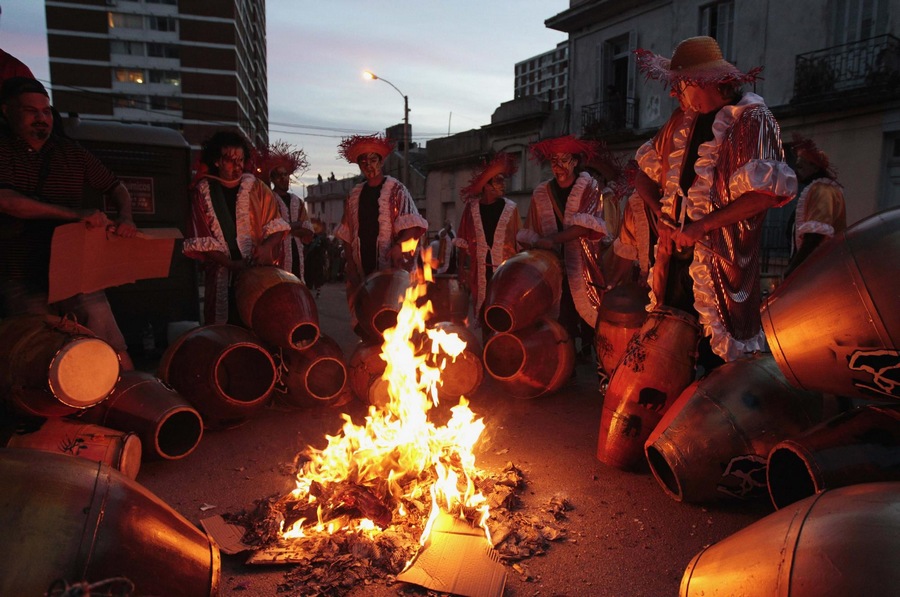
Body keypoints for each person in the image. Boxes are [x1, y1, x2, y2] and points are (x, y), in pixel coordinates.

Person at [633, 36, 797, 367]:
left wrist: (702, 226)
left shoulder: (752, 119)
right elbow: (640, 175)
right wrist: (661, 215)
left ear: (700, 80)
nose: (672, 93)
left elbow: (764, 195)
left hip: (722, 266)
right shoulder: (680, 122)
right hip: (674, 263)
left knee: (716, 359)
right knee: (670, 350)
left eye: (678, 85)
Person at [0, 77, 136, 369]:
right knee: (37, 350)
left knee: (106, 337)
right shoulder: (3, 152)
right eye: (30, 111)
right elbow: (8, 201)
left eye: (46, 111)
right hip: (20, 270)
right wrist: (74, 214)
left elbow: (116, 187)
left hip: (73, 266)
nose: (41, 118)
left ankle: (130, 391)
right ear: (7, 111)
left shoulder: (71, 153)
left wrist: (125, 216)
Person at [183, 130, 289, 325]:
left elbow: (278, 228)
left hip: (258, 275)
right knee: (225, 330)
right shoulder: (203, 192)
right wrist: (231, 265)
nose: (238, 166)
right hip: (222, 277)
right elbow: (201, 242)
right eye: (231, 160)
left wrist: (266, 247)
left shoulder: (257, 188)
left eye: (241, 160)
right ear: (217, 161)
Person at [517, 135, 608, 358]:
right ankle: (565, 364)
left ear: (576, 161)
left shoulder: (590, 187)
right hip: (553, 266)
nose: (558, 167)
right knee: (560, 314)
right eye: (553, 161)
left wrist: (554, 240)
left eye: (564, 160)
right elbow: (534, 231)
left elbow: (587, 225)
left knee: (591, 311)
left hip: (584, 264)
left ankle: (595, 358)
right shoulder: (541, 193)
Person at [334, 133, 427, 292]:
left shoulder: (396, 190)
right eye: (363, 162)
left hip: (392, 270)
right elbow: (347, 234)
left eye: (373, 160)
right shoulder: (354, 196)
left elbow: (412, 226)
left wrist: (399, 246)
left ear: (381, 161)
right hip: (362, 271)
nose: (368, 165)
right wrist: (350, 264)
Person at [455, 152, 521, 336]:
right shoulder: (471, 209)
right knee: (483, 311)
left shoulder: (511, 209)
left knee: (505, 310)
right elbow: (463, 241)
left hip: (506, 270)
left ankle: (504, 349)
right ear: (487, 186)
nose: (504, 184)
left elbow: (519, 241)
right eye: (499, 181)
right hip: (480, 271)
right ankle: (486, 350)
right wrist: (461, 269)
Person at [784, 133, 846, 277]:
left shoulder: (823, 190)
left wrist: (794, 268)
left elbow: (815, 235)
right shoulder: (817, 189)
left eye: (800, 167)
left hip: (818, 270)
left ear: (814, 167)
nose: (796, 172)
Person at [258, 140, 315, 282]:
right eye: (279, 175)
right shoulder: (268, 200)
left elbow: (308, 230)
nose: (283, 179)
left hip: (297, 256)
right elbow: (268, 231)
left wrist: (285, 228)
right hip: (277, 257)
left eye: (286, 174)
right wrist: (294, 225)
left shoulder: (297, 201)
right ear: (272, 179)